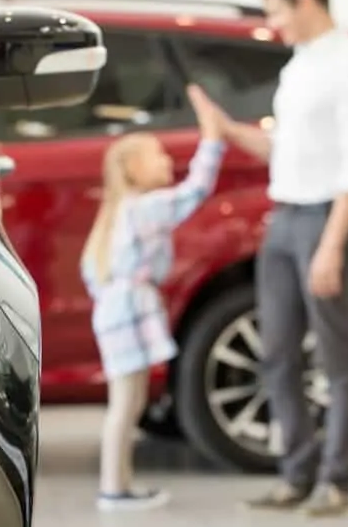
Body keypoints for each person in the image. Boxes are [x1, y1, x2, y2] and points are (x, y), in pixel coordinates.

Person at [188, 0, 348, 517]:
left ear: (307, 1)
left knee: (336, 356)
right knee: (276, 354)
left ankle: (337, 483)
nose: (272, 23)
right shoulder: (300, 64)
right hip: (286, 217)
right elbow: (284, 149)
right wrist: (227, 130)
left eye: (277, 11)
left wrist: (330, 245)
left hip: (329, 219)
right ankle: (297, 474)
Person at [80, 84, 226, 512]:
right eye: (158, 156)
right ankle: (113, 488)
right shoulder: (143, 209)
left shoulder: (116, 215)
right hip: (129, 312)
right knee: (126, 403)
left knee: (128, 401)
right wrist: (212, 141)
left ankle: (120, 485)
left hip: (114, 311)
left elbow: (92, 274)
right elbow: (194, 192)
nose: (167, 161)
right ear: (132, 170)